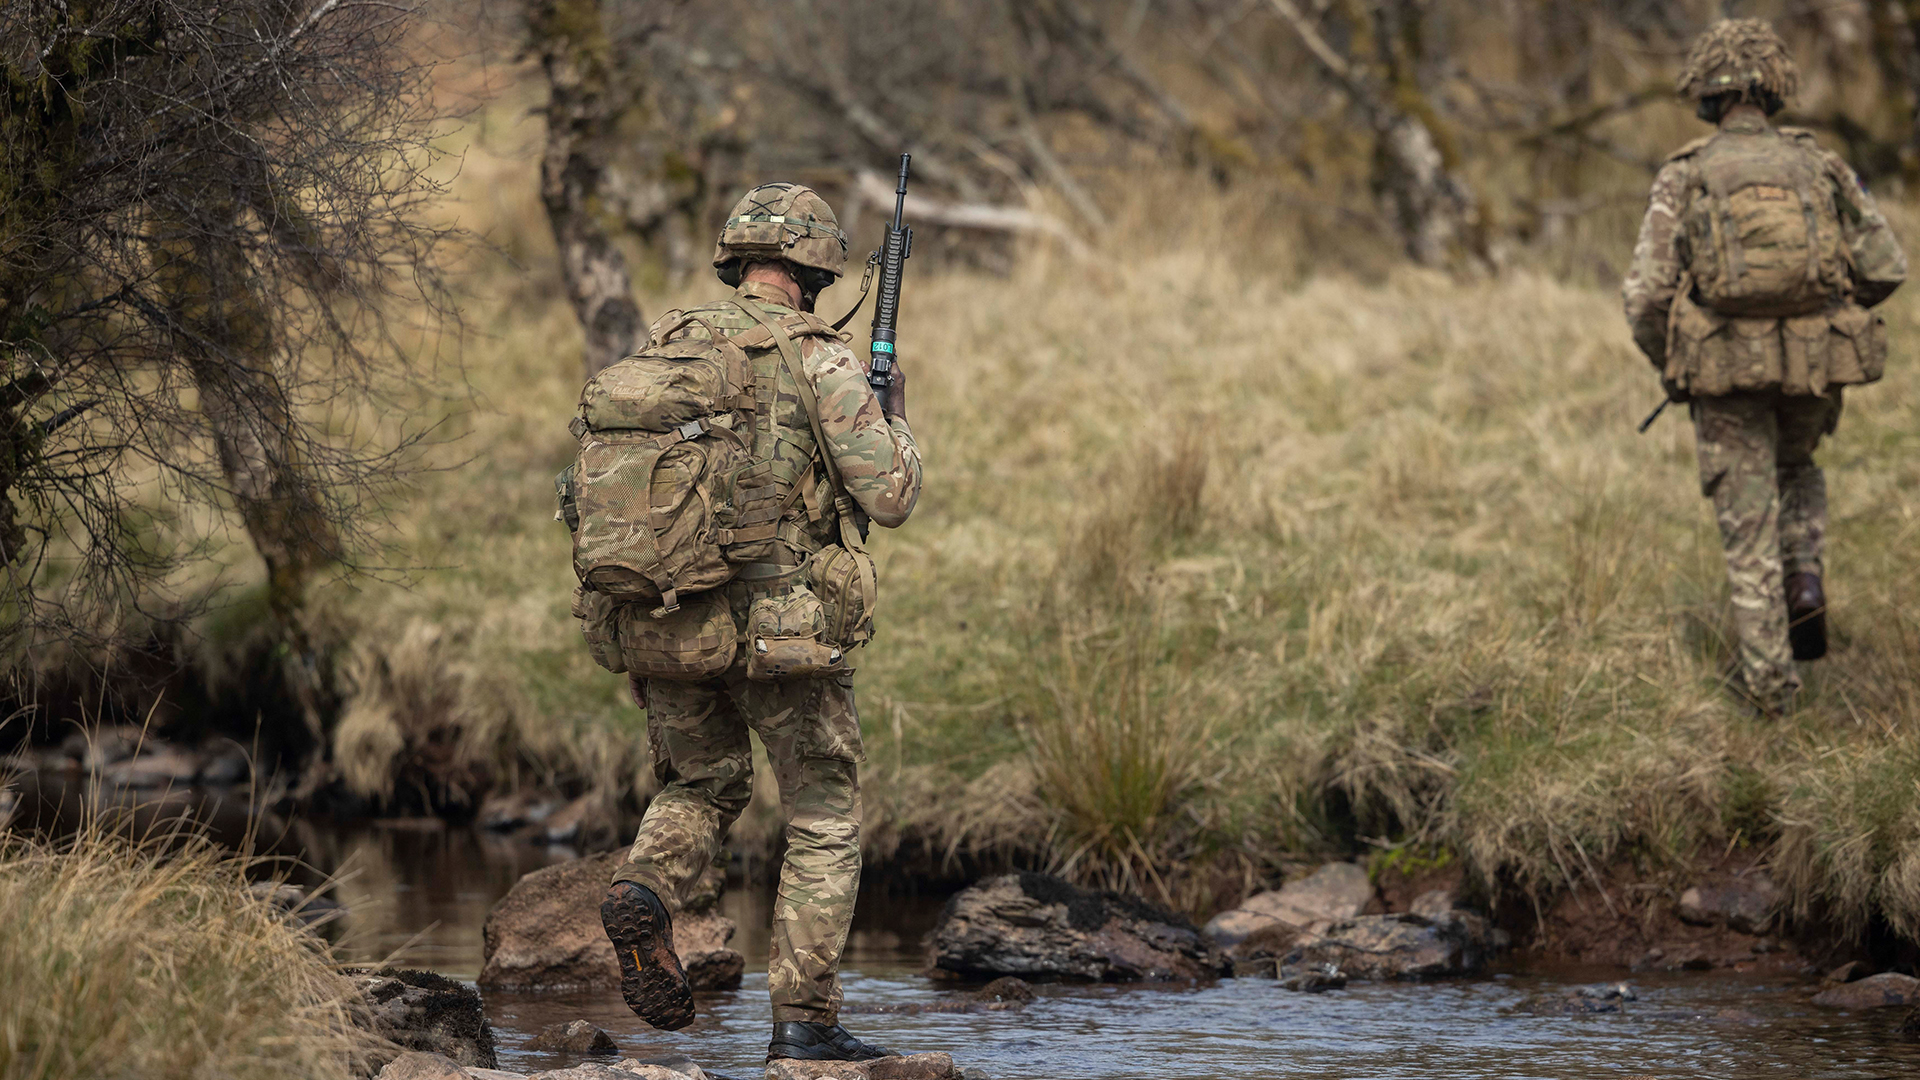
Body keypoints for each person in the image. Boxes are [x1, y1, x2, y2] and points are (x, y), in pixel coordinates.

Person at [597, 183, 922, 1061]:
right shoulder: (821, 359)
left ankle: (648, 892)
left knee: (700, 786)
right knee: (821, 815)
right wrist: (898, 419)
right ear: (816, 267)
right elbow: (888, 496)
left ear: (735, 259)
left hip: (667, 618)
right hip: (784, 631)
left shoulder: (667, 346)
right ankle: (803, 1025)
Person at [1622, 19, 1906, 716]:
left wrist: (1674, 363)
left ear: (1707, 93)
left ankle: (1774, 704)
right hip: (1812, 368)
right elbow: (1887, 266)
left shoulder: (1684, 173)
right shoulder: (1824, 164)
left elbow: (1645, 296)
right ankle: (1805, 573)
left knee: (1746, 532)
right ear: (1775, 86)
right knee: (1798, 468)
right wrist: (1832, 304)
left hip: (1723, 375)